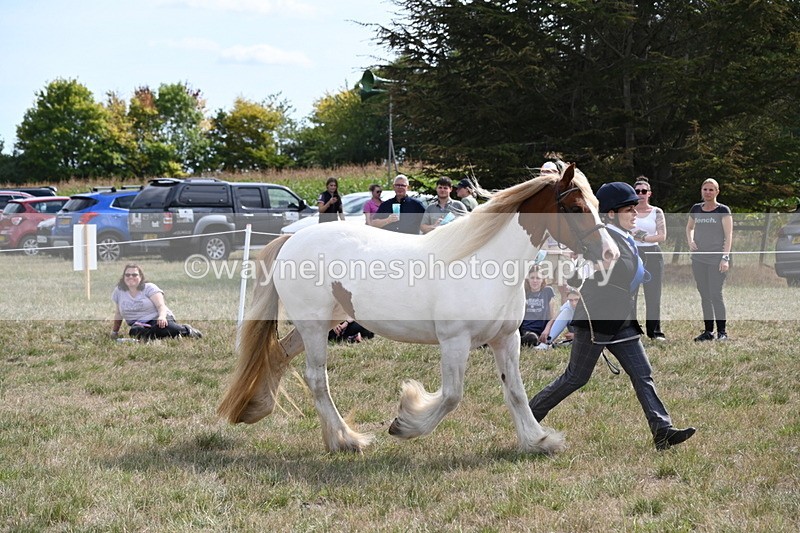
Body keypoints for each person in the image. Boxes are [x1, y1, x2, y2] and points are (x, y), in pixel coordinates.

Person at [528, 182, 695, 451]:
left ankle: (662, 430)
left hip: (622, 320)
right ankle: (529, 415)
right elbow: (574, 275)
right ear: (611, 214)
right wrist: (593, 268)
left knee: (643, 374)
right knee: (575, 377)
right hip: (596, 320)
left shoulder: (627, 239)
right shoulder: (601, 239)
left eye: (635, 209)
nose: (635, 214)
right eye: (629, 209)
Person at [685, 178, 733, 341]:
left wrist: (725, 258)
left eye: (711, 190)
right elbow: (690, 227)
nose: (707, 192)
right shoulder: (696, 209)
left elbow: (729, 236)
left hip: (717, 259)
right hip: (699, 260)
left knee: (715, 294)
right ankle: (708, 332)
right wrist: (690, 240)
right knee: (704, 294)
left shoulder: (723, 210)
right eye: (705, 189)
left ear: (717, 192)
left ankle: (722, 332)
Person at [111, 263, 202, 341]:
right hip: (140, 324)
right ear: (123, 277)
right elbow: (118, 313)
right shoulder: (119, 291)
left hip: (157, 318)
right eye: (127, 275)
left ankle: (186, 330)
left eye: (134, 275)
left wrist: (162, 317)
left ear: (140, 277)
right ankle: (160, 335)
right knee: (134, 332)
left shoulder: (149, 287)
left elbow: (160, 306)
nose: (131, 277)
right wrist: (115, 332)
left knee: (163, 328)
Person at [632, 176, 668, 341]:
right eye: (637, 191)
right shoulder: (628, 211)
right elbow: (628, 232)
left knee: (653, 295)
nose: (640, 194)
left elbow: (662, 236)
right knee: (631, 293)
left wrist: (643, 237)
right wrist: (642, 237)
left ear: (649, 193)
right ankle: (631, 330)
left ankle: (655, 332)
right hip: (633, 254)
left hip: (653, 254)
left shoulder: (657, 212)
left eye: (643, 191)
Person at [519, 266, 558, 347]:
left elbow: (553, 316)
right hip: (525, 330)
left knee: (532, 338)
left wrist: (547, 330)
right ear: (528, 279)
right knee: (530, 337)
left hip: (541, 331)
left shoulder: (548, 291)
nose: (535, 281)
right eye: (532, 278)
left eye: (538, 278)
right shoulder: (524, 292)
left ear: (542, 279)